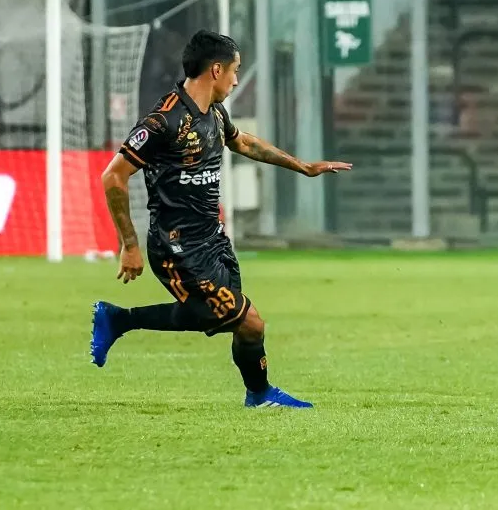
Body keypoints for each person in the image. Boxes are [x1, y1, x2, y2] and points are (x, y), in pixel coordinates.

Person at [90, 30, 352, 408]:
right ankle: (260, 395)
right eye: (235, 70)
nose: (236, 79)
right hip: (176, 246)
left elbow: (243, 142)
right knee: (249, 321)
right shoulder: (164, 122)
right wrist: (129, 245)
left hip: (213, 241)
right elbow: (113, 176)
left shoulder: (213, 112)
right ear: (216, 69)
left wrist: (303, 167)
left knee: (214, 317)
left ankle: (118, 320)